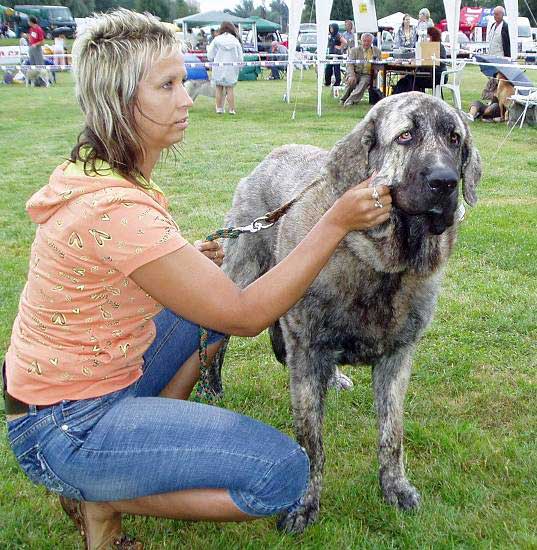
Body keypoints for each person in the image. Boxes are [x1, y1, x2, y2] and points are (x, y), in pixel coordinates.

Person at [3, 9, 394, 549]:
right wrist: (335, 221)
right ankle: (100, 493)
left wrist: (182, 257)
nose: (188, 98)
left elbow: (120, 265)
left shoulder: (95, 175)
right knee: (282, 476)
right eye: (167, 85)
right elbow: (247, 316)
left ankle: (122, 463)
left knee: (199, 319)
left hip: (64, 394)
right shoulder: (118, 209)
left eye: (185, 80)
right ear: (120, 102)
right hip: (63, 427)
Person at [393, 27, 446, 94]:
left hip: (437, 76)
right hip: (430, 74)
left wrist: (419, 61)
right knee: (408, 78)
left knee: (409, 79)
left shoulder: (438, 47)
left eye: (427, 36)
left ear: (432, 36)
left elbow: (435, 62)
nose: (425, 38)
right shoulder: (432, 46)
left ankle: (410, 97)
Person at [207, 21, 243, 115]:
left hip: (218, 66)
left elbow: (210, 54)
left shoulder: (216, 39)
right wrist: (240, 65)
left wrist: (211, 60)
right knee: (230, 88)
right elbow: (240, 55)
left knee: (219, 88)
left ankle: (219, 108)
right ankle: (231, 109)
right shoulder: (235, 40)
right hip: (231, 67)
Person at [339, 32, 380, 107]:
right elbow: (350, 64)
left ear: (371, 42)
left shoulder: (377, 51)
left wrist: (376, 71)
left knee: (363, 82)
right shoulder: (354, 50)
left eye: (368, 41)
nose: (366, 43)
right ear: (361, 41)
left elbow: (379, 64)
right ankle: (343, 99)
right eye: (364, 41)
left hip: (367, 74)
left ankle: (350, 101)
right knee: (351, 81)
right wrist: (351, 75)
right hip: (356, 72)